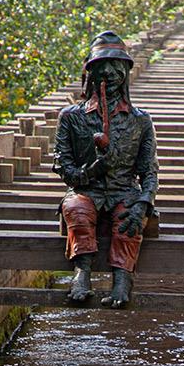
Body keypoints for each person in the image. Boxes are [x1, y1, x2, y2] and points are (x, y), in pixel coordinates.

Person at [53, 31, 158, 308]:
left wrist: (143, 203)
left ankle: (122, 280)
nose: (109, 73)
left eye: (116, 66)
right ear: (91, 72)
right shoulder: (71, 117)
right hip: (86, 191)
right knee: (77, 209)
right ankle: (81, 273)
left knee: (128, 218)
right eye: (102, 66)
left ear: (125, 71)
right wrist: (93, 170)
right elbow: (64, 168)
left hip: (124, 191)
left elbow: (149, 172)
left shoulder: (141, 120)